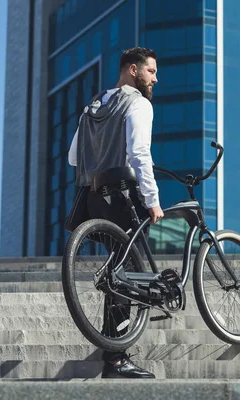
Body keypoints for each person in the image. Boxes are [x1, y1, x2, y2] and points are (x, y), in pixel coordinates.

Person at [67, 47, 163, 379]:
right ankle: (117, 358)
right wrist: (152, 199)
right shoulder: (138, 103)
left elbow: (72, 158)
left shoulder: (93, 105)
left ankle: (112, 344)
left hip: (95, 198)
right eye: (151, 71)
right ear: (133, 70)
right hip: (126, 197)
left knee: (118, 268)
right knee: (128, 272)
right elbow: (139, 153)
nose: (155, 78)